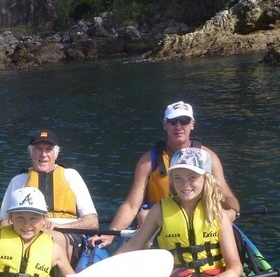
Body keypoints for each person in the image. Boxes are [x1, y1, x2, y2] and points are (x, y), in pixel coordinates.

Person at [116, 148, 269, 277]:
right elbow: (133, 246)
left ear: (205, 179)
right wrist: (104, 269)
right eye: (177, 178)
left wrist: (230, 275)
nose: (185, 184)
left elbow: (235, 265)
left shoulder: (218, 214)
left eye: (192, 177)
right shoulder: (159, 211)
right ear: (171, 180)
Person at [94, 101, 239, 247]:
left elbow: (227, 197)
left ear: (192, 124)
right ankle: (155, 255)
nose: (178, 127)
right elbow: (132, 205)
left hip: (199, 219)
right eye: (172, 121)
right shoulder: (148, 162)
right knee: (144, 215)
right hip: (161, 223)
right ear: (165, 124)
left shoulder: (208, 157)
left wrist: (231, 213)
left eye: (184, 121)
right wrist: (111, 232)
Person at [0, 129, 98, 264]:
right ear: (31, 153)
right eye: (39, 149)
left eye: (48, 149)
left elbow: (92, 222)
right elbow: (4, 221)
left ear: (55, 154)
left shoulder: (71, 176)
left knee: (52, 238)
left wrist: (58, 226)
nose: (43, 154)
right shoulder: (18, 181)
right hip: (27, 230)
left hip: (66, 234)